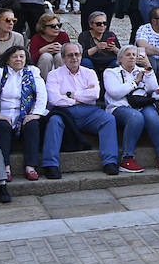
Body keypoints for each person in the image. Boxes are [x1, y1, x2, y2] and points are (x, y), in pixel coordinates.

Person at [42, 43, 118, 177]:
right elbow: (54, 100)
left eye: (77, 54)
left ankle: (110, 161)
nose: (74, 58)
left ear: (81, 56)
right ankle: (50, 164)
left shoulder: (89, 73)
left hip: (89, 113)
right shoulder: (54, 75)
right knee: (54, 121)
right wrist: (80, 97)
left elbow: (94, 94)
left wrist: (71, 95)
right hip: (64, 113)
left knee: (108, 119)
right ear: (63, 58)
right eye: (70, 55)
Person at [0, 46, 48, 182]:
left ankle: (30, 166)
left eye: (21, 56)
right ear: (7, 59)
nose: (18, 59)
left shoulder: (33, 71)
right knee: (2, 126)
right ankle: (5, 167)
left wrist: (36, 114)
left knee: (33, 125)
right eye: (14, 56)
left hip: (25, 114)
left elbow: (42, 94)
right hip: (2, 113)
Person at [103, 45, 159, 174]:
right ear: (120, 58)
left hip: (142, 104)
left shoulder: (142, 70)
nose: (132, 57)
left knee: (153, 117)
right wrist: (135, 82)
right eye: (128, 55)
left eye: (134, 54)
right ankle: (127, 158)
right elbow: (115, 93)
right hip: (119, 106)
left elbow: (154, 90)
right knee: (135, 117)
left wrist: (149, 69)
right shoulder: (111, 72)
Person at [28, 13, 69, 78]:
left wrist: (64, 50)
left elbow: (72, 56)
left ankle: (63, 82)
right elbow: (30, 60)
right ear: (43, 27)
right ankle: (44, 84)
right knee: (46, 56)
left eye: (59, 25)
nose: (57, 28)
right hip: (42, 67)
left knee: (59, 56)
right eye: (53, 26)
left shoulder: (63, 35)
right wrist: (41, 51)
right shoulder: (36, 38)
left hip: (60, 65)